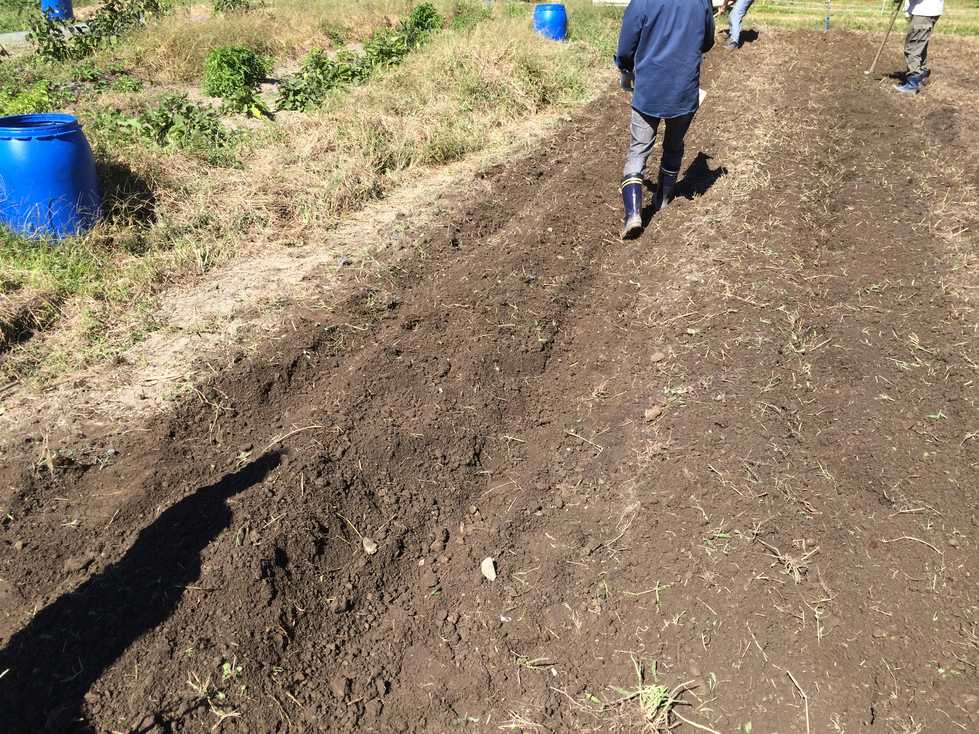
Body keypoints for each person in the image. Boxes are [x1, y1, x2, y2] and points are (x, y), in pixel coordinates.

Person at [615, 0, 715, 240]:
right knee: (673, 146)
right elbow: (707, 41)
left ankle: (633, 215)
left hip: (649, 89)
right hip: (684, 89)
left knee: (638, 151)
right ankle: (662, 201)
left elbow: (626, 46)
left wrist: (625, 69)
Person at [895, 0, 943, 93]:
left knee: (913, 47)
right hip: (928, 10)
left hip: (924, 11)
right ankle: (922, 75)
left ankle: (912, 83)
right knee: (920, 45)